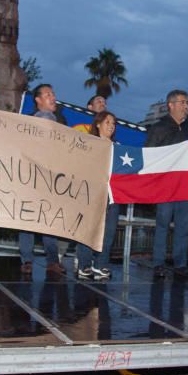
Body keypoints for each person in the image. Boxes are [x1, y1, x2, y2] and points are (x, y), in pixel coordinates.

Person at [146, 89, 188, 278]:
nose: (186, 106)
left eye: (187, 102)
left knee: (182, 226)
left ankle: (180, 264)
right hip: (164, 185)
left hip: (184, 184)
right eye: (182, 102)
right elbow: (150, 154)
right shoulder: (158, 128)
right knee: (162, 224)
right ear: (171, 105)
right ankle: (158, 263)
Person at [18, 83, 68, 275]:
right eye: (48, 94)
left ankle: (52, 260)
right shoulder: (27, 122)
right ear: (38, 100)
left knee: (50, 219)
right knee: (27, 219)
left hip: (52, 178)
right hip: (30, 177)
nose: (53, 97)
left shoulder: (61, 122)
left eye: (53, 93)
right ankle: (27, 260)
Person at [76, 111, 120, 280]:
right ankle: (84, 265)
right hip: (91, 194)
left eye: (114, 123)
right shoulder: (89, 145)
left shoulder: (118, 148)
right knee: (88, 230)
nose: (111, 125)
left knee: (108, 232)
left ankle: (101, 264)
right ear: (98, 124)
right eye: (108, 122)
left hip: (113, 196)